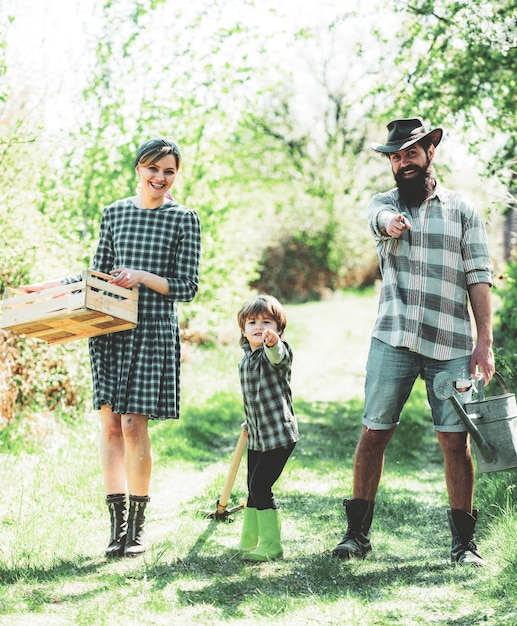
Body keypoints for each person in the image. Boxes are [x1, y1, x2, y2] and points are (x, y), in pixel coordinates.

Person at [21, 138, 201, 558]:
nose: (160, 177)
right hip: (110, 328)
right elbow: (98, 274)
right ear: (139, 168)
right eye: (153, 168)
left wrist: (141, 274)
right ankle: (115, 526)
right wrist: (50, 287)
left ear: (176, 175)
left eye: (169, 171)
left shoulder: (184, 219)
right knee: (109, 426)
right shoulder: (114, 213)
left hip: (152, 329)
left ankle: (137, 530)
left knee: (134, 425)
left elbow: (187, 287)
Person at [331, 117, 494, 567]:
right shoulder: (382, 204)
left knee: (455, 442)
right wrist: (391, 224)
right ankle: (356, 535)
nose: (403, 162)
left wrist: (485, 342)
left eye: (411, 153)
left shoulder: (462, 209)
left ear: (429, 153)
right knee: (373, 432)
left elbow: (479, 277)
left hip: (454, 344)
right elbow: (377, 219)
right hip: (394, 339)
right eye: (395, 156)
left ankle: (464, 544)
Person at [236, 294, 299, 561]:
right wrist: (250, 420)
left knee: (261, 486)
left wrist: (273, 344)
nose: (259, 326)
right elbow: (255, 396)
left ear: (279, 329)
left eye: (267, 322)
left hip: (279, 435)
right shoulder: (246, 360)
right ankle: (251, 538)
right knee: (252, 485)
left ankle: (272, 546)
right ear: (243, 329)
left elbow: (278, 355)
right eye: (252, 322)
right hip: (258, 436)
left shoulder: (275, 353)